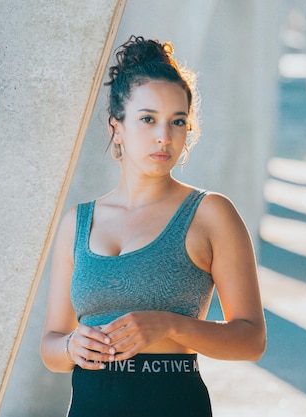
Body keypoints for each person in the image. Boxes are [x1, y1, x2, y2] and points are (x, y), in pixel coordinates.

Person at [40, 35, 266, 417]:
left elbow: (251, 340)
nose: (164, 137)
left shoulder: (210, 214)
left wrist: (168, 325)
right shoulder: (76, 223)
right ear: (117, 127)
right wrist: (69, 347)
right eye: (148, 119)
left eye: (177, 122)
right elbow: (51, 345)